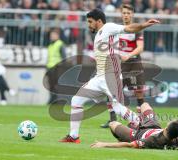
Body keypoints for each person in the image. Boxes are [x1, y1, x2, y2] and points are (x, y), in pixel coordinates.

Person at [59, 8, 160, 143]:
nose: (88, 24)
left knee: (118, 108)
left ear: (99, 21)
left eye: (90, 21)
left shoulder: (108, 27)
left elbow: (130, 28)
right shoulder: (100, 34)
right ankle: (73, 136)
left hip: (111, 76)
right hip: (100, 77)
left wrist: (144, 25)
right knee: (76, 100)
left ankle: (146, 128)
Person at [91, 98, 178, 149]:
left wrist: (104, 144)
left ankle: (134, 124)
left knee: (113, 124)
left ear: (167, 127)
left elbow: (131, 145)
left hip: (137, 134)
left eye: (171, 121)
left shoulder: (153, 141)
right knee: (145, 105)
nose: (169, 120)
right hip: (153, 126)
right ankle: (137, 120)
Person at [101, 4, 145, 128]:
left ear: (132, 15)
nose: (126, 15)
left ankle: (140, 122)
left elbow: (140, 47)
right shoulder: (116, 29)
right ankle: (112, 119)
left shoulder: (136, 29)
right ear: (121, 14)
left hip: (135, 65)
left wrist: (129, 55)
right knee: (110, 91)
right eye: (124, 13)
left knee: (138, 93)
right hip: (120, 65)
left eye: (128, 13)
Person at [46, 29, 66, 104]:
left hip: (56, 67)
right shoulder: (50, 45)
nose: (51, 36)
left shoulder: (60, 44)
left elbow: (64, 57)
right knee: (50, 85)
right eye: (51, 35)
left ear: (57, 36)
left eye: (53, 35)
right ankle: (53, 100)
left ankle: (53, 100)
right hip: (49, 67)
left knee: (55, 85)